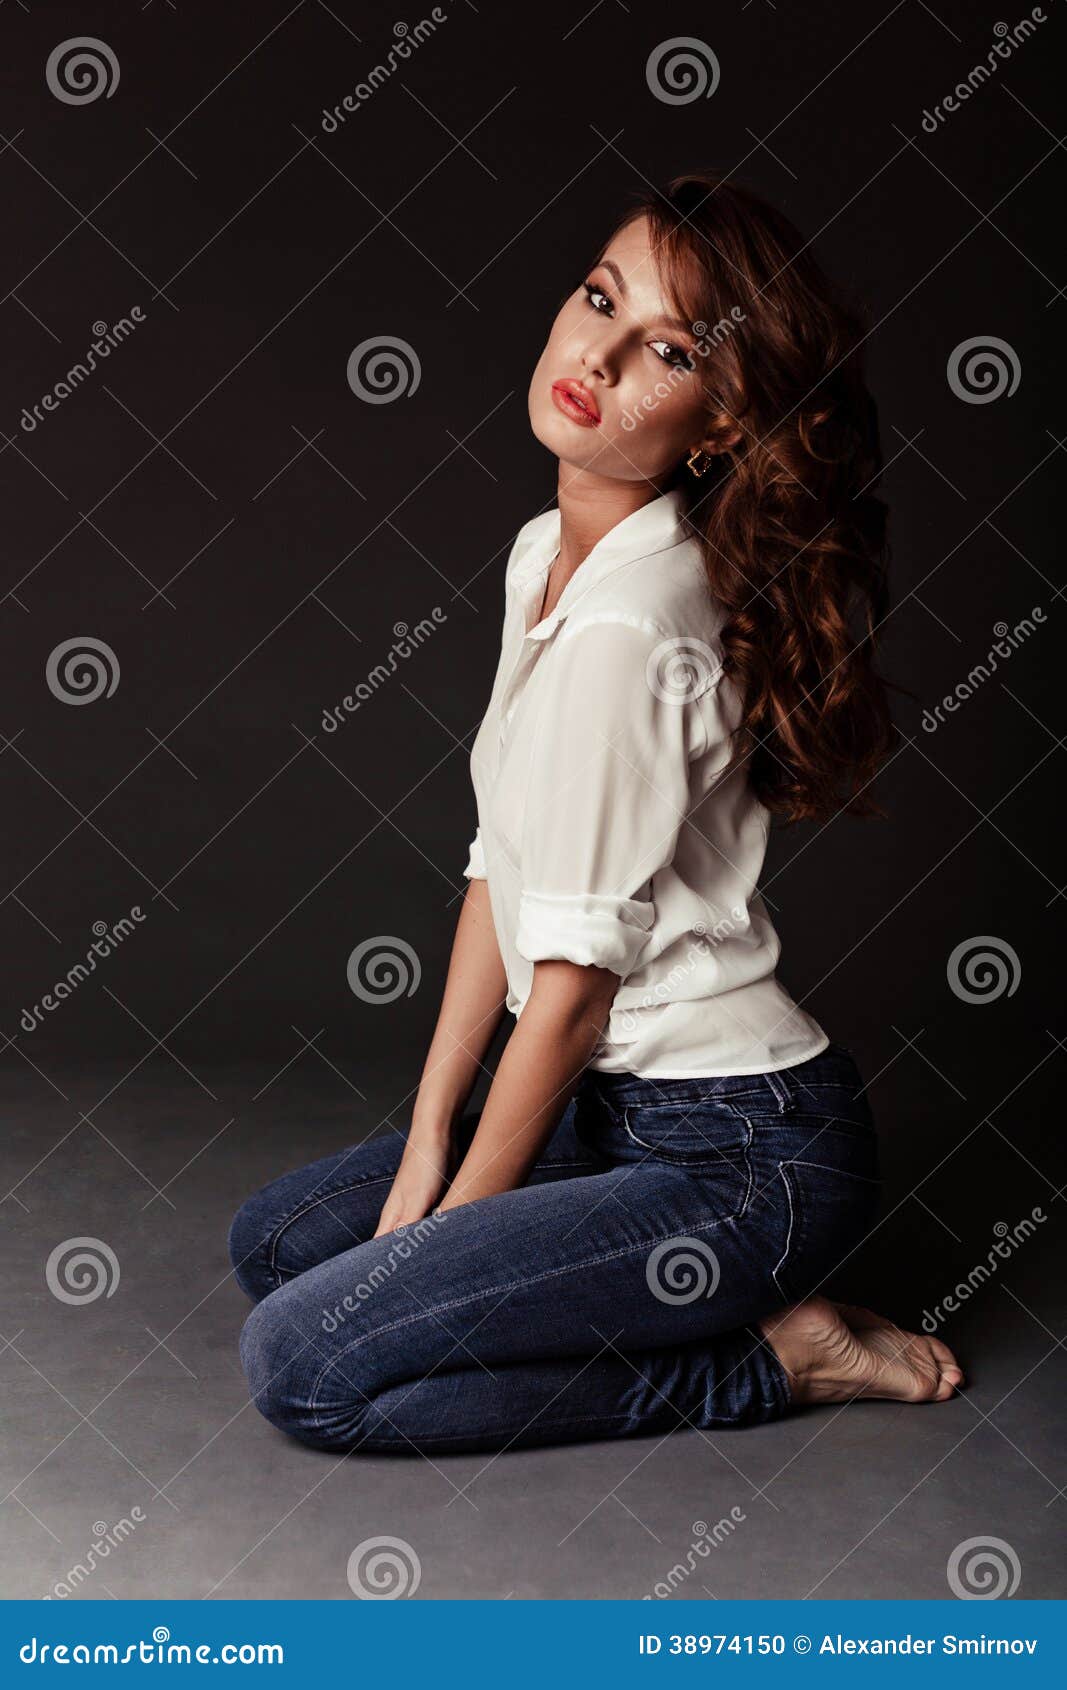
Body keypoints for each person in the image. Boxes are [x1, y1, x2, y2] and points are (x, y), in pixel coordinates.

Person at [228, 172, 964, 1454]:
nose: (597, 358)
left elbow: (564, 999)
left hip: (746, 1159)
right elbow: (494, 872)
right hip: (614, 1113)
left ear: (720, 419)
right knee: (278, 1245)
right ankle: (578, 1264)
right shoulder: (547, 552)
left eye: (665, 352)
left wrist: (450, 1232)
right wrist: (424, 1145)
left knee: (308, 1367)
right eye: (597, 299)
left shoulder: (631, 625)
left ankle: (774, 1359)